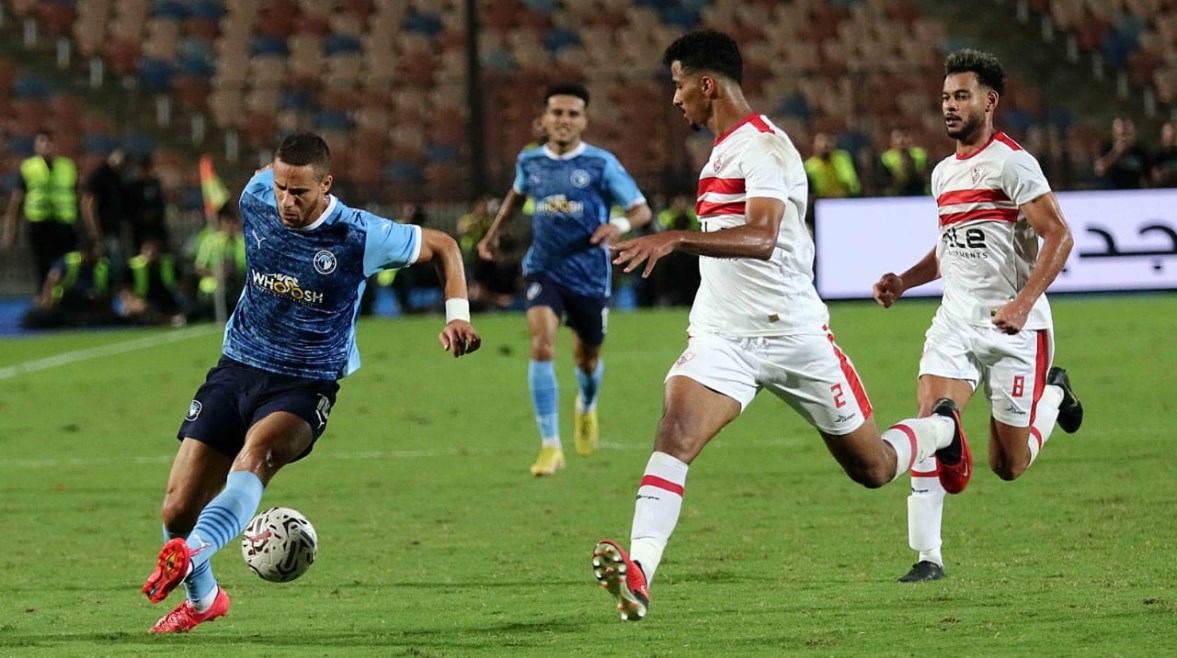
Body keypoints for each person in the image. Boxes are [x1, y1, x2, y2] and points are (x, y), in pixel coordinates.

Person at [590, 30, 971, 622]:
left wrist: (675, 239)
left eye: (679, 84)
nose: (674, 98)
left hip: (794, 336)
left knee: (873, 469)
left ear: (706, 84)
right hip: (721, 337)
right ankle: (639, 574)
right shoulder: (719, 153)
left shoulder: (765, 148)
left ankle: (941, 430)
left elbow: (764, 237)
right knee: (675, 433)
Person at [140, 132, 481, 633]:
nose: (286, 201)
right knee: (176, 509)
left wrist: (458, 316)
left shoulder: (361, 235)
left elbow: (444, 246)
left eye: (299, 192)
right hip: (237, 367)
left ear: (326, 185)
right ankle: (204, 599)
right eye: (281, 187)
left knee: (257, 457)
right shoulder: (257, 196)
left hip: (306, 384)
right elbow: (264, 184)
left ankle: (190, 553)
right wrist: (272, 184)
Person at [872, 49, 1085, 583]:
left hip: (1016, 329)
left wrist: (1023, 302)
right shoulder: (943, 173)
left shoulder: (1012, 163)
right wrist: (904, 280)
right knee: (930, 415)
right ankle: (928, 557)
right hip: (955, 321)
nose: (949, 106)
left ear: (989, 102)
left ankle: (1054, 394)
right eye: (945, 97)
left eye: (961, 96)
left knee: (1008, 465)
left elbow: (1059, 236)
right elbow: (950, 248)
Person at [477, 82, 652, 476]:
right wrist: (493, 233)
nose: (564, 120)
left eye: (573, 114)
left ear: (584, 121)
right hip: (544, 268)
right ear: (544, 118)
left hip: (589, 274)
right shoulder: (530, 162)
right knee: (541, 345)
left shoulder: (601, 164)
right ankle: (550, 446)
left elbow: (640, 210)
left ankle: (586, 406)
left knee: (586, 360)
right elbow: (516, 196)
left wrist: (619, 225)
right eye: (557, 112)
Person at [2, 131, 80, 287]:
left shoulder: (68, 166)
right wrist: (11, 229)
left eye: (50, 142)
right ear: (36, 146)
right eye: (42, 142)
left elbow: (76, 194)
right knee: (42, 266)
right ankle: (43, 296)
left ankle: (64, 296)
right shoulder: (29, 167)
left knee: (67, 264)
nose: (47, 146)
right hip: (39, 223)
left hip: (64, 223)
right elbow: (18, 198)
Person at [81, 147, 131, 274]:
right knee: (109, 264)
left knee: (117, 264)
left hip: (114, 229)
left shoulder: (117, 177)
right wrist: (95, 233)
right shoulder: (99, 176)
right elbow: (89, 205)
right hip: (103, 230)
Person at [120, 238, 185, 326]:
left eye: (154, 249)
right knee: (146, 310)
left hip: (166, 300)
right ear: (141, 250)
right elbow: (125, 292)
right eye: (147, 248)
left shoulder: (169, 264)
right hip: (143, 301)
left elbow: (182, 284)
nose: (151, 252)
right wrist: (134, 303)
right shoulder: (133, 267)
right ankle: (169, 320)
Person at [1093, 116, 1150, 189]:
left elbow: (1148, 177)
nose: (1124, 136)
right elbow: (1100, 170)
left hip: (1134, 192)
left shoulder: (1140, 151)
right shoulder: (1106, 148)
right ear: (1114, 132)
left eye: (1127, 133)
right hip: (1111, 192)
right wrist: (1116, 153)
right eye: (1121, 133)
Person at [803, 131, 860, 198]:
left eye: (829, 140)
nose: (825, 145)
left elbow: (852, 184)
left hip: (846, 199)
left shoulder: (842, 159)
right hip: (821, 200)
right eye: (821, 141)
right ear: (814, 144)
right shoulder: (809, 166)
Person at [880, 127, 929, 196]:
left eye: (905, 136)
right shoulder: (886, 158)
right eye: (897, 137)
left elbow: (925, 178)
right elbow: (886, 183)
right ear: (891, 141)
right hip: (896, 196)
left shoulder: (920, 154)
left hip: (918, 193)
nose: (901, 140)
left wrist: (912, 168)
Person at [1151, 121, 1177, 187]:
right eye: (1166, 131)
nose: (1168, 135)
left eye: (1170, 131)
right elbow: (1155, 177)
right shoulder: (1157, 155)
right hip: (1163, 190)